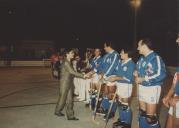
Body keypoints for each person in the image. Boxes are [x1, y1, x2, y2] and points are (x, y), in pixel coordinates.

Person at [134, 39, 166, 128]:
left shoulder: (155, 58)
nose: (137, 48)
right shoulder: (141, 58)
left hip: (152, 88)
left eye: (139, 45)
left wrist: (144, 78)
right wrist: (136, 71)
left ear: (144, 46)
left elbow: (161, 74)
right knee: (142, 112)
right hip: (142, 88)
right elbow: (137, 68)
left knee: (150, 117)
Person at [54, 48, 88, 120]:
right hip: (64, 83)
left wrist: (81, 73)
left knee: (70, 99)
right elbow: (72, 72)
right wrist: (83, 75)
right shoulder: (66, 62)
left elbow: (72, 72)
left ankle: (70, 116)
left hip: (69, 83)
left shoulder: (69, 61)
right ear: (67, 54)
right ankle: (57, 111)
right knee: (62, 99)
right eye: (71, 53)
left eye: (73, 53)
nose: (73, 54)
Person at [109, 48, 135, 128]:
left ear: (127, 54)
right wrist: (111, 76)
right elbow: (116, 72)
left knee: (125, 105)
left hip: (126, 86)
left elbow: (128, 78)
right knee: (120, 103)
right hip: (119, 85)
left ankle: (127, 123)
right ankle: (122, 119)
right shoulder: (120, 62)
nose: (120, 54)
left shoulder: (131, 64)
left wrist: (115, 78)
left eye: (122, 52)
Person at [162, 35, 179, 128]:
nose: (177, 40)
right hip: (175, 99)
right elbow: (176, 81)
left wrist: (177, 98)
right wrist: (168, 95)